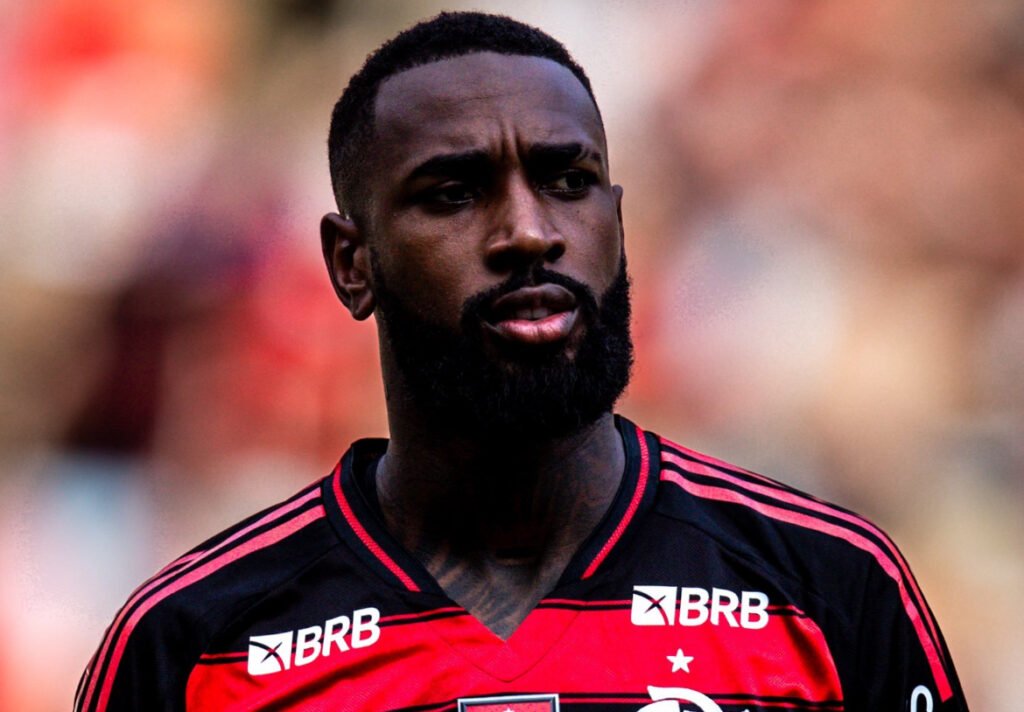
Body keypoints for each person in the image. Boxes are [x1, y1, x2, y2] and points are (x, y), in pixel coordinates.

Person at [75, 12, 969, 712]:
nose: (530, 232)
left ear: (619, 224)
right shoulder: (194, 644)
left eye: (568, 181)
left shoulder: (830, 588)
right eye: (453, 193)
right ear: (352, 263)